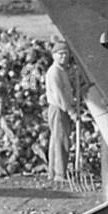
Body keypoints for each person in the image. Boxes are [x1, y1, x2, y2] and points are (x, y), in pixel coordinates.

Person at [44, 42, 76, 181]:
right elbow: (59, 95)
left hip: (59, 108)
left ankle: (53, 172)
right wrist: (70, 110)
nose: (63, 57)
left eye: (66, 54)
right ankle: (59, 174)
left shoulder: (62, 70)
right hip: (58, 109)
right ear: (53, 56)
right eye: (60, 54)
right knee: (61, 140)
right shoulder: (54, 72)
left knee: (56, 139)